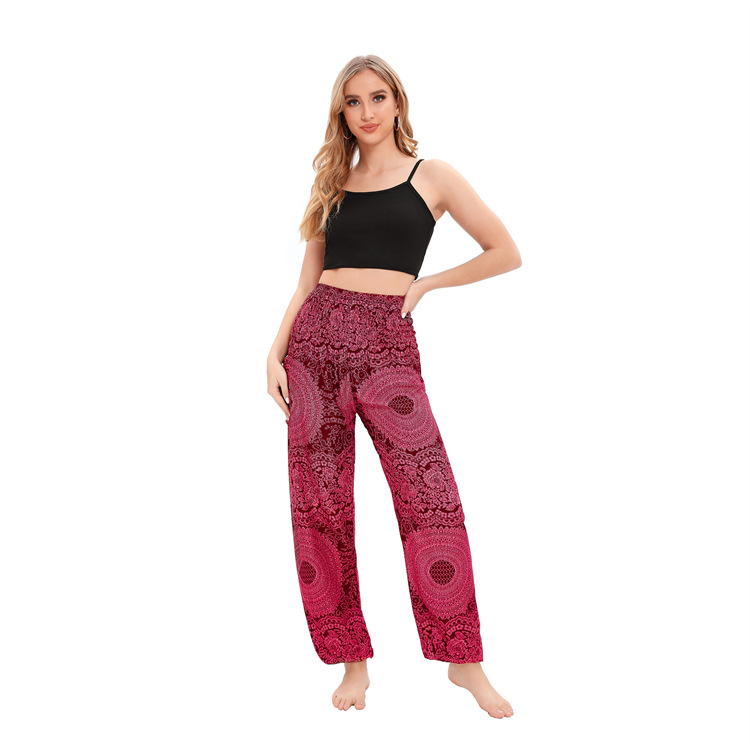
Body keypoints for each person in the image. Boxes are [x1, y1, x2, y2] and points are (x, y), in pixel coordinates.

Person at [267, 55, 521, 719]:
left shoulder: (432, 176)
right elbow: (306, 282)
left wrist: (428, 284)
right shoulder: (332, 182)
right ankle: (352, 661)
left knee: (431, 501)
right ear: (342, 113)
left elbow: (505, 251)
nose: (368, 111)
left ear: (398, 102)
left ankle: (463, 661)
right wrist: (274, 352)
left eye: (378, 97)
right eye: (354, 101)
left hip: (388, 345)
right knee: (320, 508)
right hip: (314, 346)